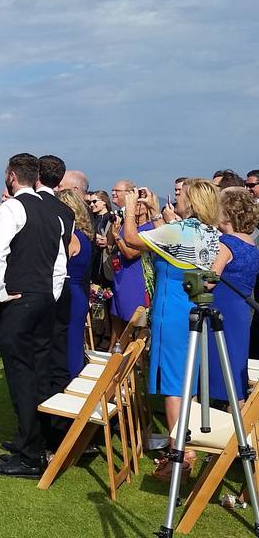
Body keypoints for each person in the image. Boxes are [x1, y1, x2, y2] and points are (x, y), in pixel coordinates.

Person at [121, 178, 222, 480]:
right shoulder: (208, 232)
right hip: (193, 306)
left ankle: (181, 456)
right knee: (187, 381)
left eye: (181, 196)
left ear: (190, 202)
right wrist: (153, 213)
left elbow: (131, 240)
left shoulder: (180, 230)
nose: (175, 199)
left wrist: (128, 210)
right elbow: (171, 244)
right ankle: (183, 446)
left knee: (173, 387)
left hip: (172, 310)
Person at [0, 153, 61, 478]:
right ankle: (31, 440)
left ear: (13, 176)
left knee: (20, 375)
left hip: (21, 300)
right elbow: (60, 262)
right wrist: (50, 293)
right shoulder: (53, 210)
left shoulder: (12, 207)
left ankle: (30, 456)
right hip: (46, 298)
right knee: (40, 372)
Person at [207, 188, 259, 404]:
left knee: (220, 361)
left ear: (226, 214)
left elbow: (209, 281)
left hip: (222, 309)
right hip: (240, 309)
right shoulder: (251, 242)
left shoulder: (226, 244)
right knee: (236, 360)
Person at [36, 156, 75, 403]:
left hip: (41, 287)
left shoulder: (32, 206)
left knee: (39, 355)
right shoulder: (66, 211)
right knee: (58, 353)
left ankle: (44, 416)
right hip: (62, 286)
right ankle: (59, 413)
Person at [107, 180, 155, 347]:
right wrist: (114, 229)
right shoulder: (129, 226)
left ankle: (132, 359)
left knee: (132, 320)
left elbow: (131, 253)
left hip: (135, 278)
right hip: (120, 275)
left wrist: (118, 236)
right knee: (116, 317)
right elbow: (109, 242)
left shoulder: (149, 228)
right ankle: (115, 351)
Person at [57, 190, 94, 377]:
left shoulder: (71, 237)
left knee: (70, 344)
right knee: (74, 341)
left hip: (70, 293)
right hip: (78, 291)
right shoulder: (85, 235)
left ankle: (69, 383)